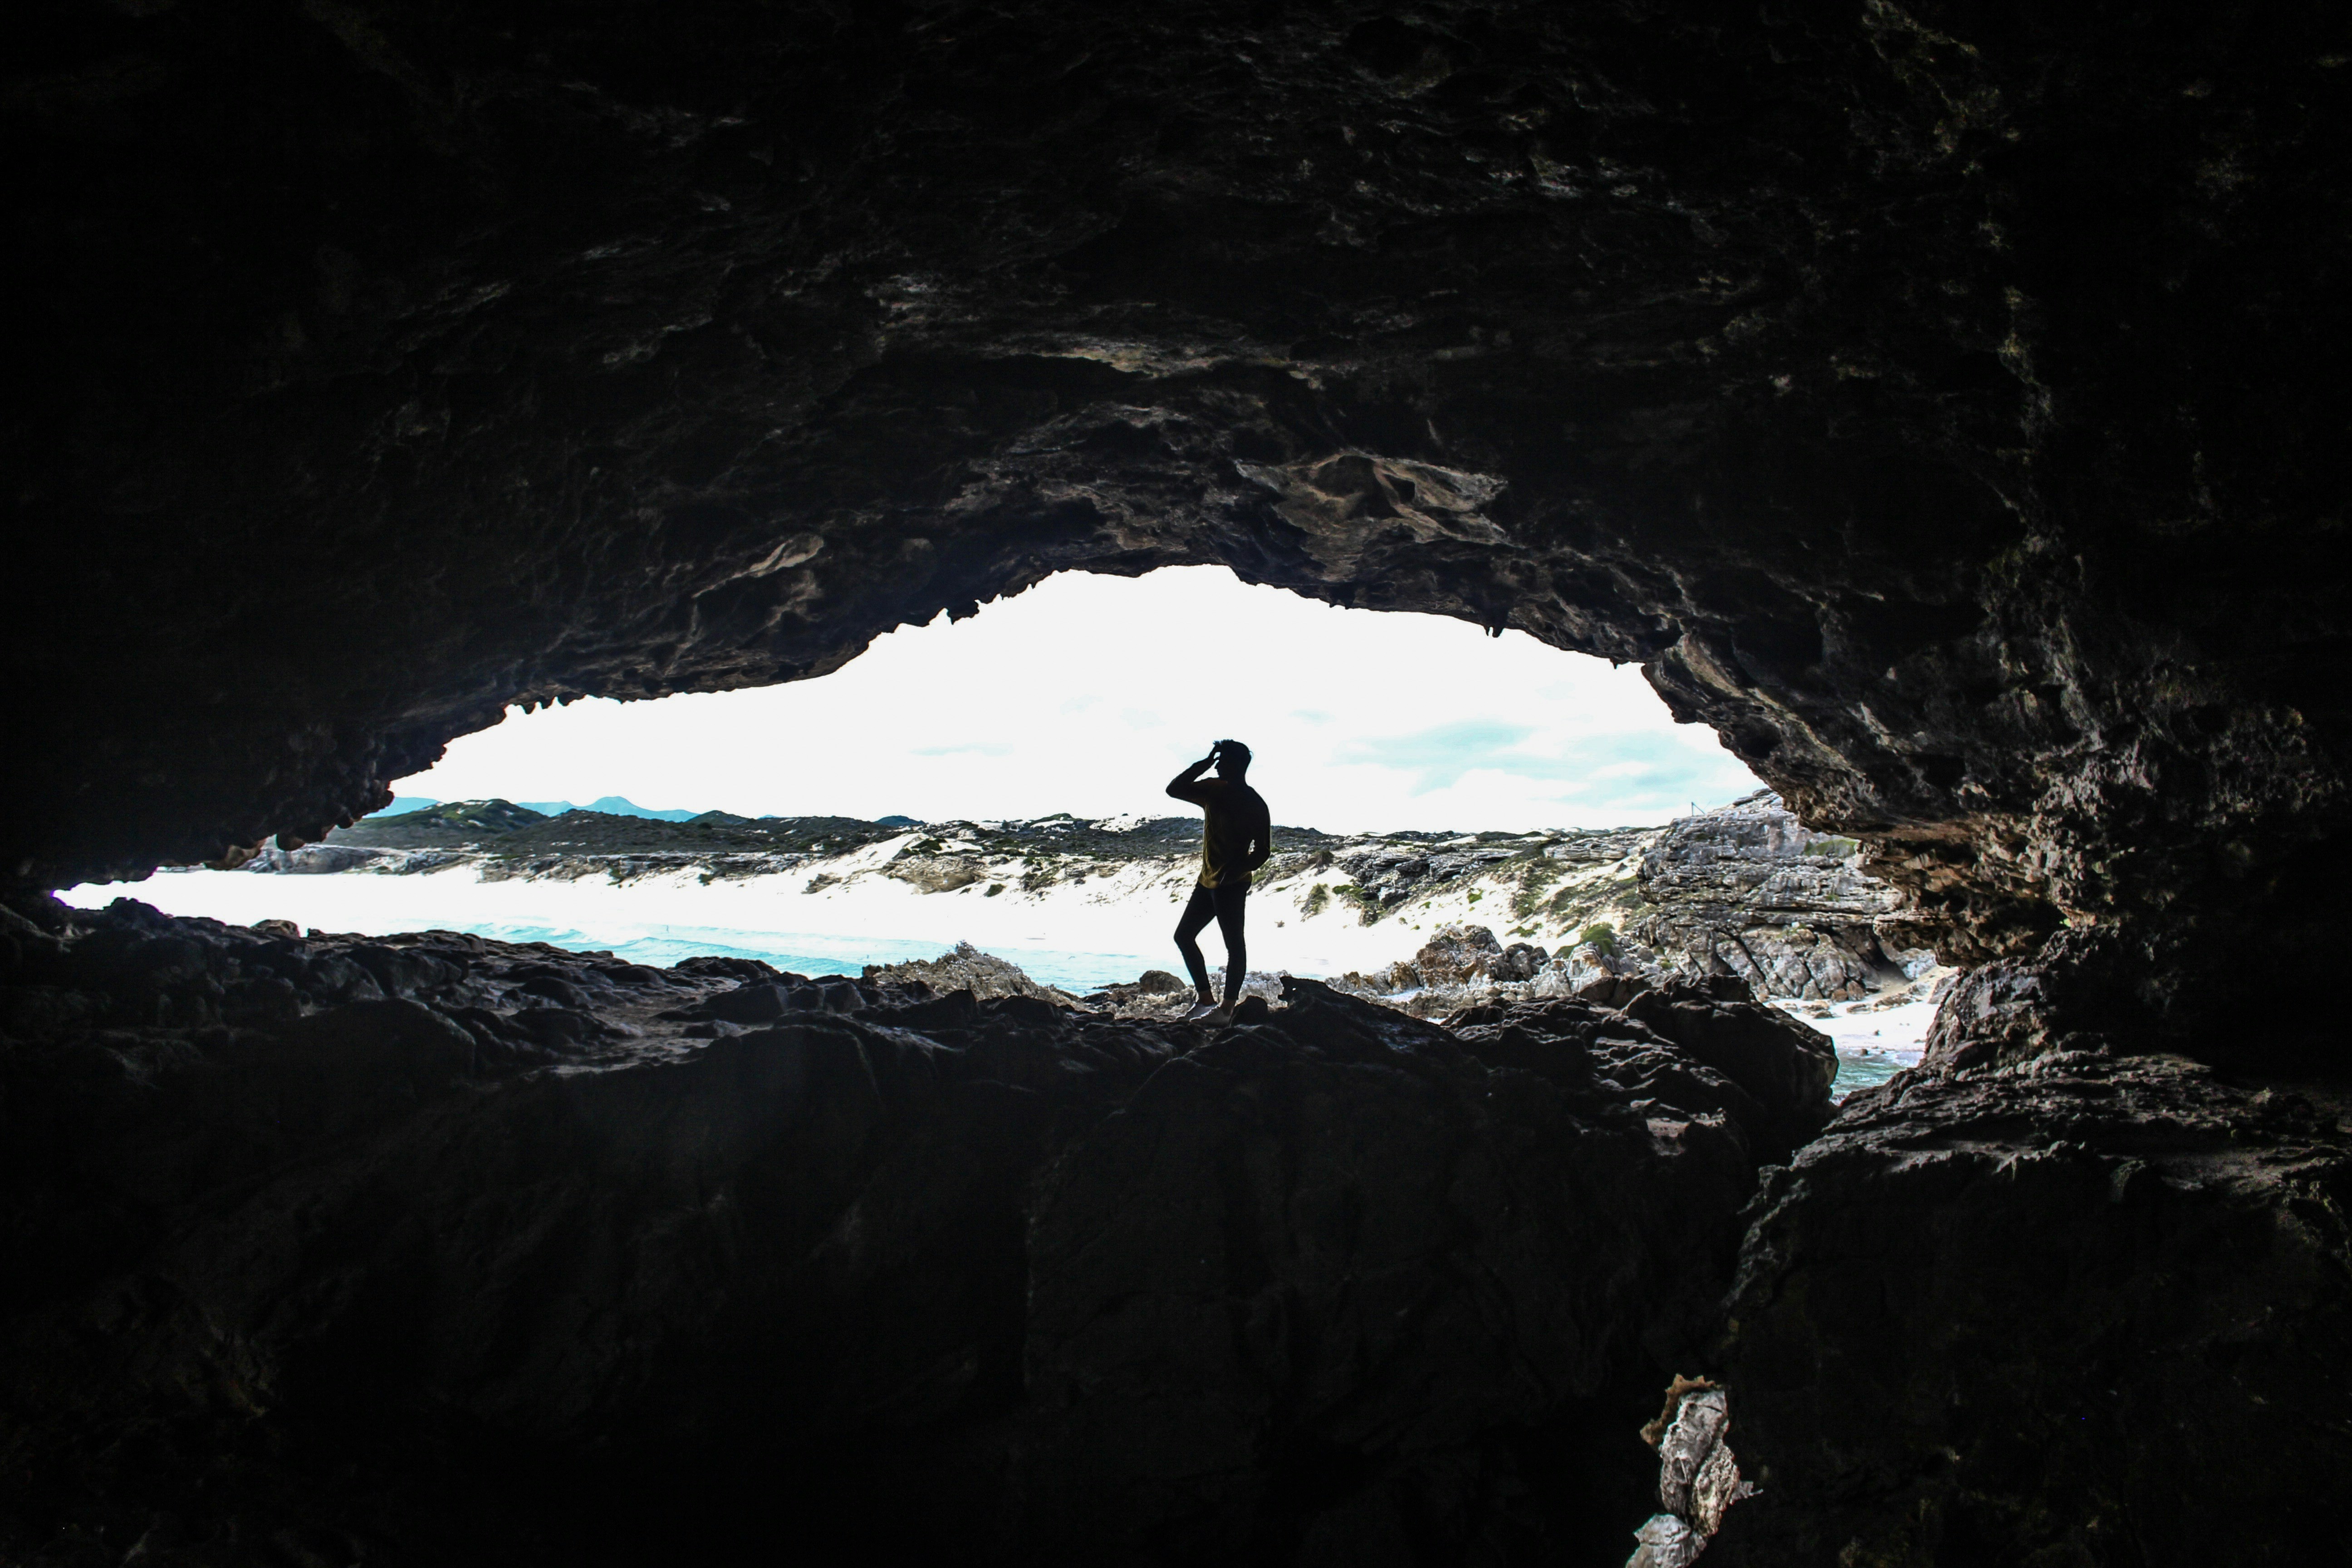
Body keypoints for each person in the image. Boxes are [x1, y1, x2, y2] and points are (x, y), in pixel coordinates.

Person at [1165, 739, 1272, 1023]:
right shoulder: (1212, 790)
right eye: (1218, 760)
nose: (1218, 764)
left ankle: (1226, 1010)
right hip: (1207, 880)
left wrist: (1237, 870)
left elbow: (1263, 851)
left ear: (1238, 765)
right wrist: (1204, 763)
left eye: (1223, 760)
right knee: (1184, 936)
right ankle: (1205, 1001)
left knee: (1234, 945)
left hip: (1232, 884)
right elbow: (1173, 790)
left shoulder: (1254, 803)